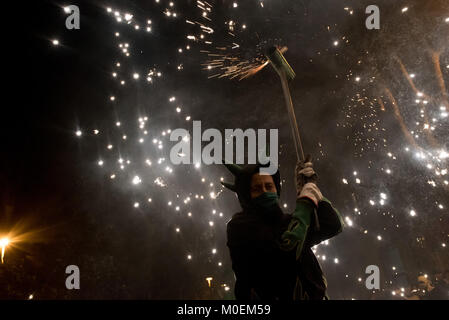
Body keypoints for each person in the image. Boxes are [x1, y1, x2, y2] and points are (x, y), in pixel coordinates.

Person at [222, 157, 344, 300]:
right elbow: (287, 249)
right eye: (257, 188)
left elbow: (333, 225)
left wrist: (312, 192)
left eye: (269, 186)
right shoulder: (239, 227)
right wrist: (305, 204)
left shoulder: (287, 222)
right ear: (247, 196)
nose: (265, 192)